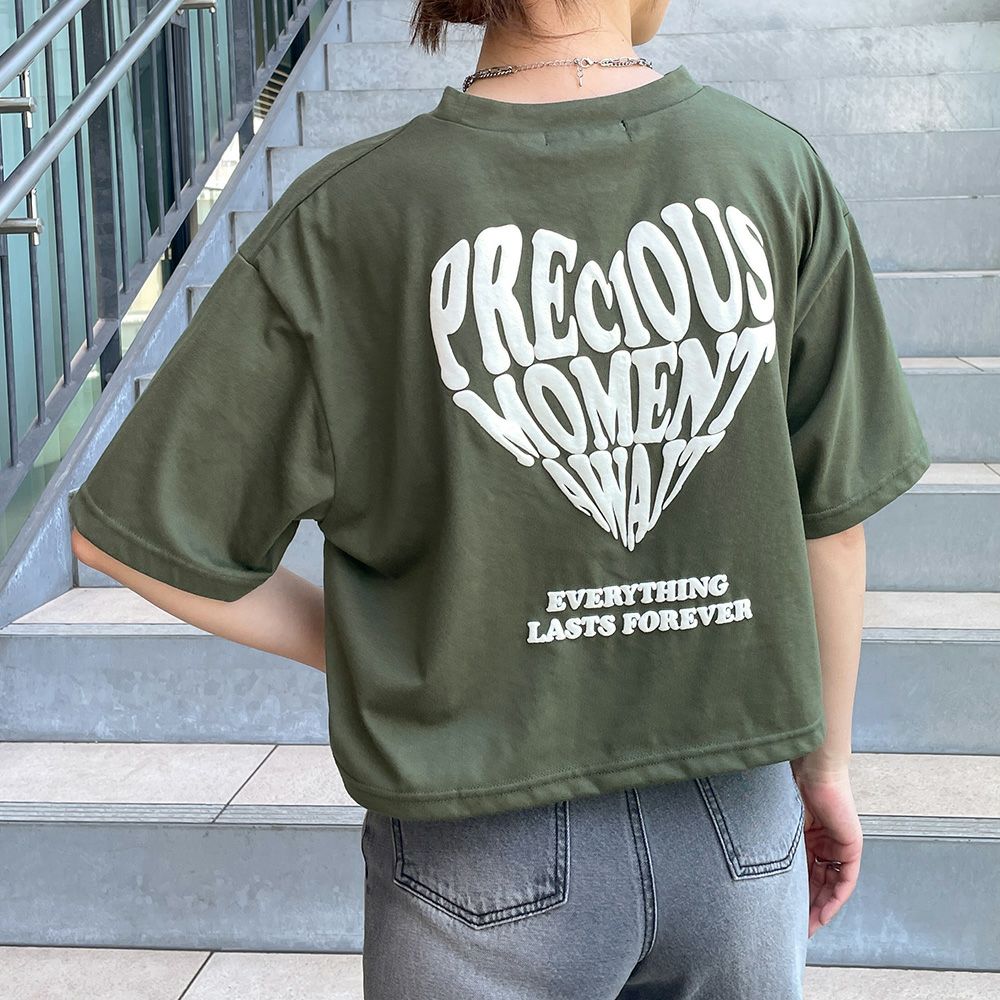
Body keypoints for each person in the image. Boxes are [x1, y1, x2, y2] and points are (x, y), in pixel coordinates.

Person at [68, 0, 933, 994]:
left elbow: (127, 537)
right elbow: (833, 529)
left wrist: (399, 650)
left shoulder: (350, 214)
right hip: (734, 822)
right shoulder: (774, 172)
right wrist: (826, 770)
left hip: (477, 839)